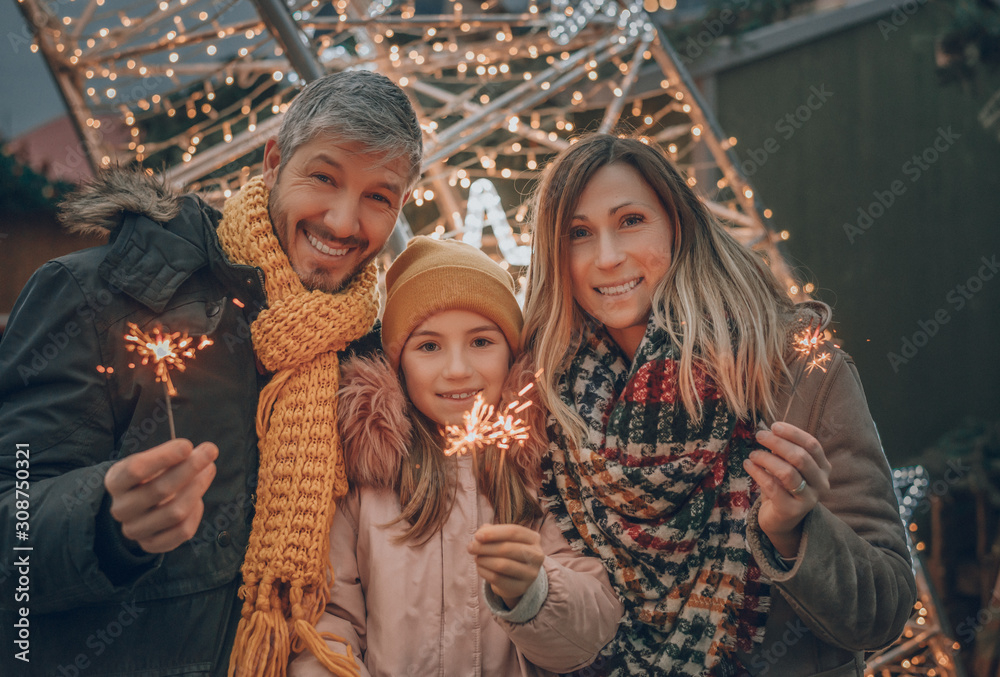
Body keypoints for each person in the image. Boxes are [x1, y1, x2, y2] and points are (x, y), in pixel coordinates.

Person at [0, 70, 422, 677]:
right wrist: (102, 522)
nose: (341, 221)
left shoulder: (373, 356)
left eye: (379, 196)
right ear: (275, 160)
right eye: (323, 178)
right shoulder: (98, 294)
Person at [521, 133, 916, 676]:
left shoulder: (792, 371)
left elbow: (885, 611)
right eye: (579, 234)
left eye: (631, 220)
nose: (608, 257)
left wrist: (794, 530)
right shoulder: (547, 405)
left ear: (677, 225)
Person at [289, 236, 623, 677]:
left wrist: (533, 592)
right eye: (429, 346)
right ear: (399, 364)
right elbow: (331, 622)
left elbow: (589, 633)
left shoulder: (542, 466)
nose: (458, 369)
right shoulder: (365, 473)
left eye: (481, 341)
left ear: (512, 351)